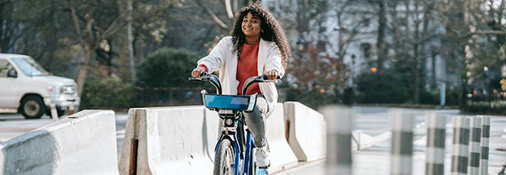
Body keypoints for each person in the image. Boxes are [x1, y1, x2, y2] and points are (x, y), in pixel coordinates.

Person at [191, 2, 292, 169]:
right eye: (245, 20)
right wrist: (203, 68)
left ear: (262, 27)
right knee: (227, 123)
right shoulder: (227, 43)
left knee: (252, 109)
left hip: (257, 95)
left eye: (254, 21)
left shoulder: (270, 46)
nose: (248, 24)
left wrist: (273, 71)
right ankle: (227, 151)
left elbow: (275, 62)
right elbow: (214, 58)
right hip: (232, 96)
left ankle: (261, 147)